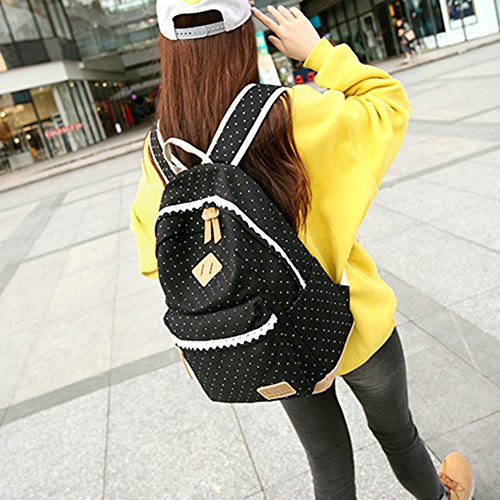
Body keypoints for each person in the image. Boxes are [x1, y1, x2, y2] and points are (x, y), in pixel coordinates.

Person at [130, 2, 473, 498]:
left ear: (168, 48)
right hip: (354, 317)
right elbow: (388, 104)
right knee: (399, 435)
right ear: (242, 36)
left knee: (327, 464)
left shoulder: (162, 151)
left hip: (277, 337)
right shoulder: (296, 112)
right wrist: (318, 52)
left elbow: (154, 260)